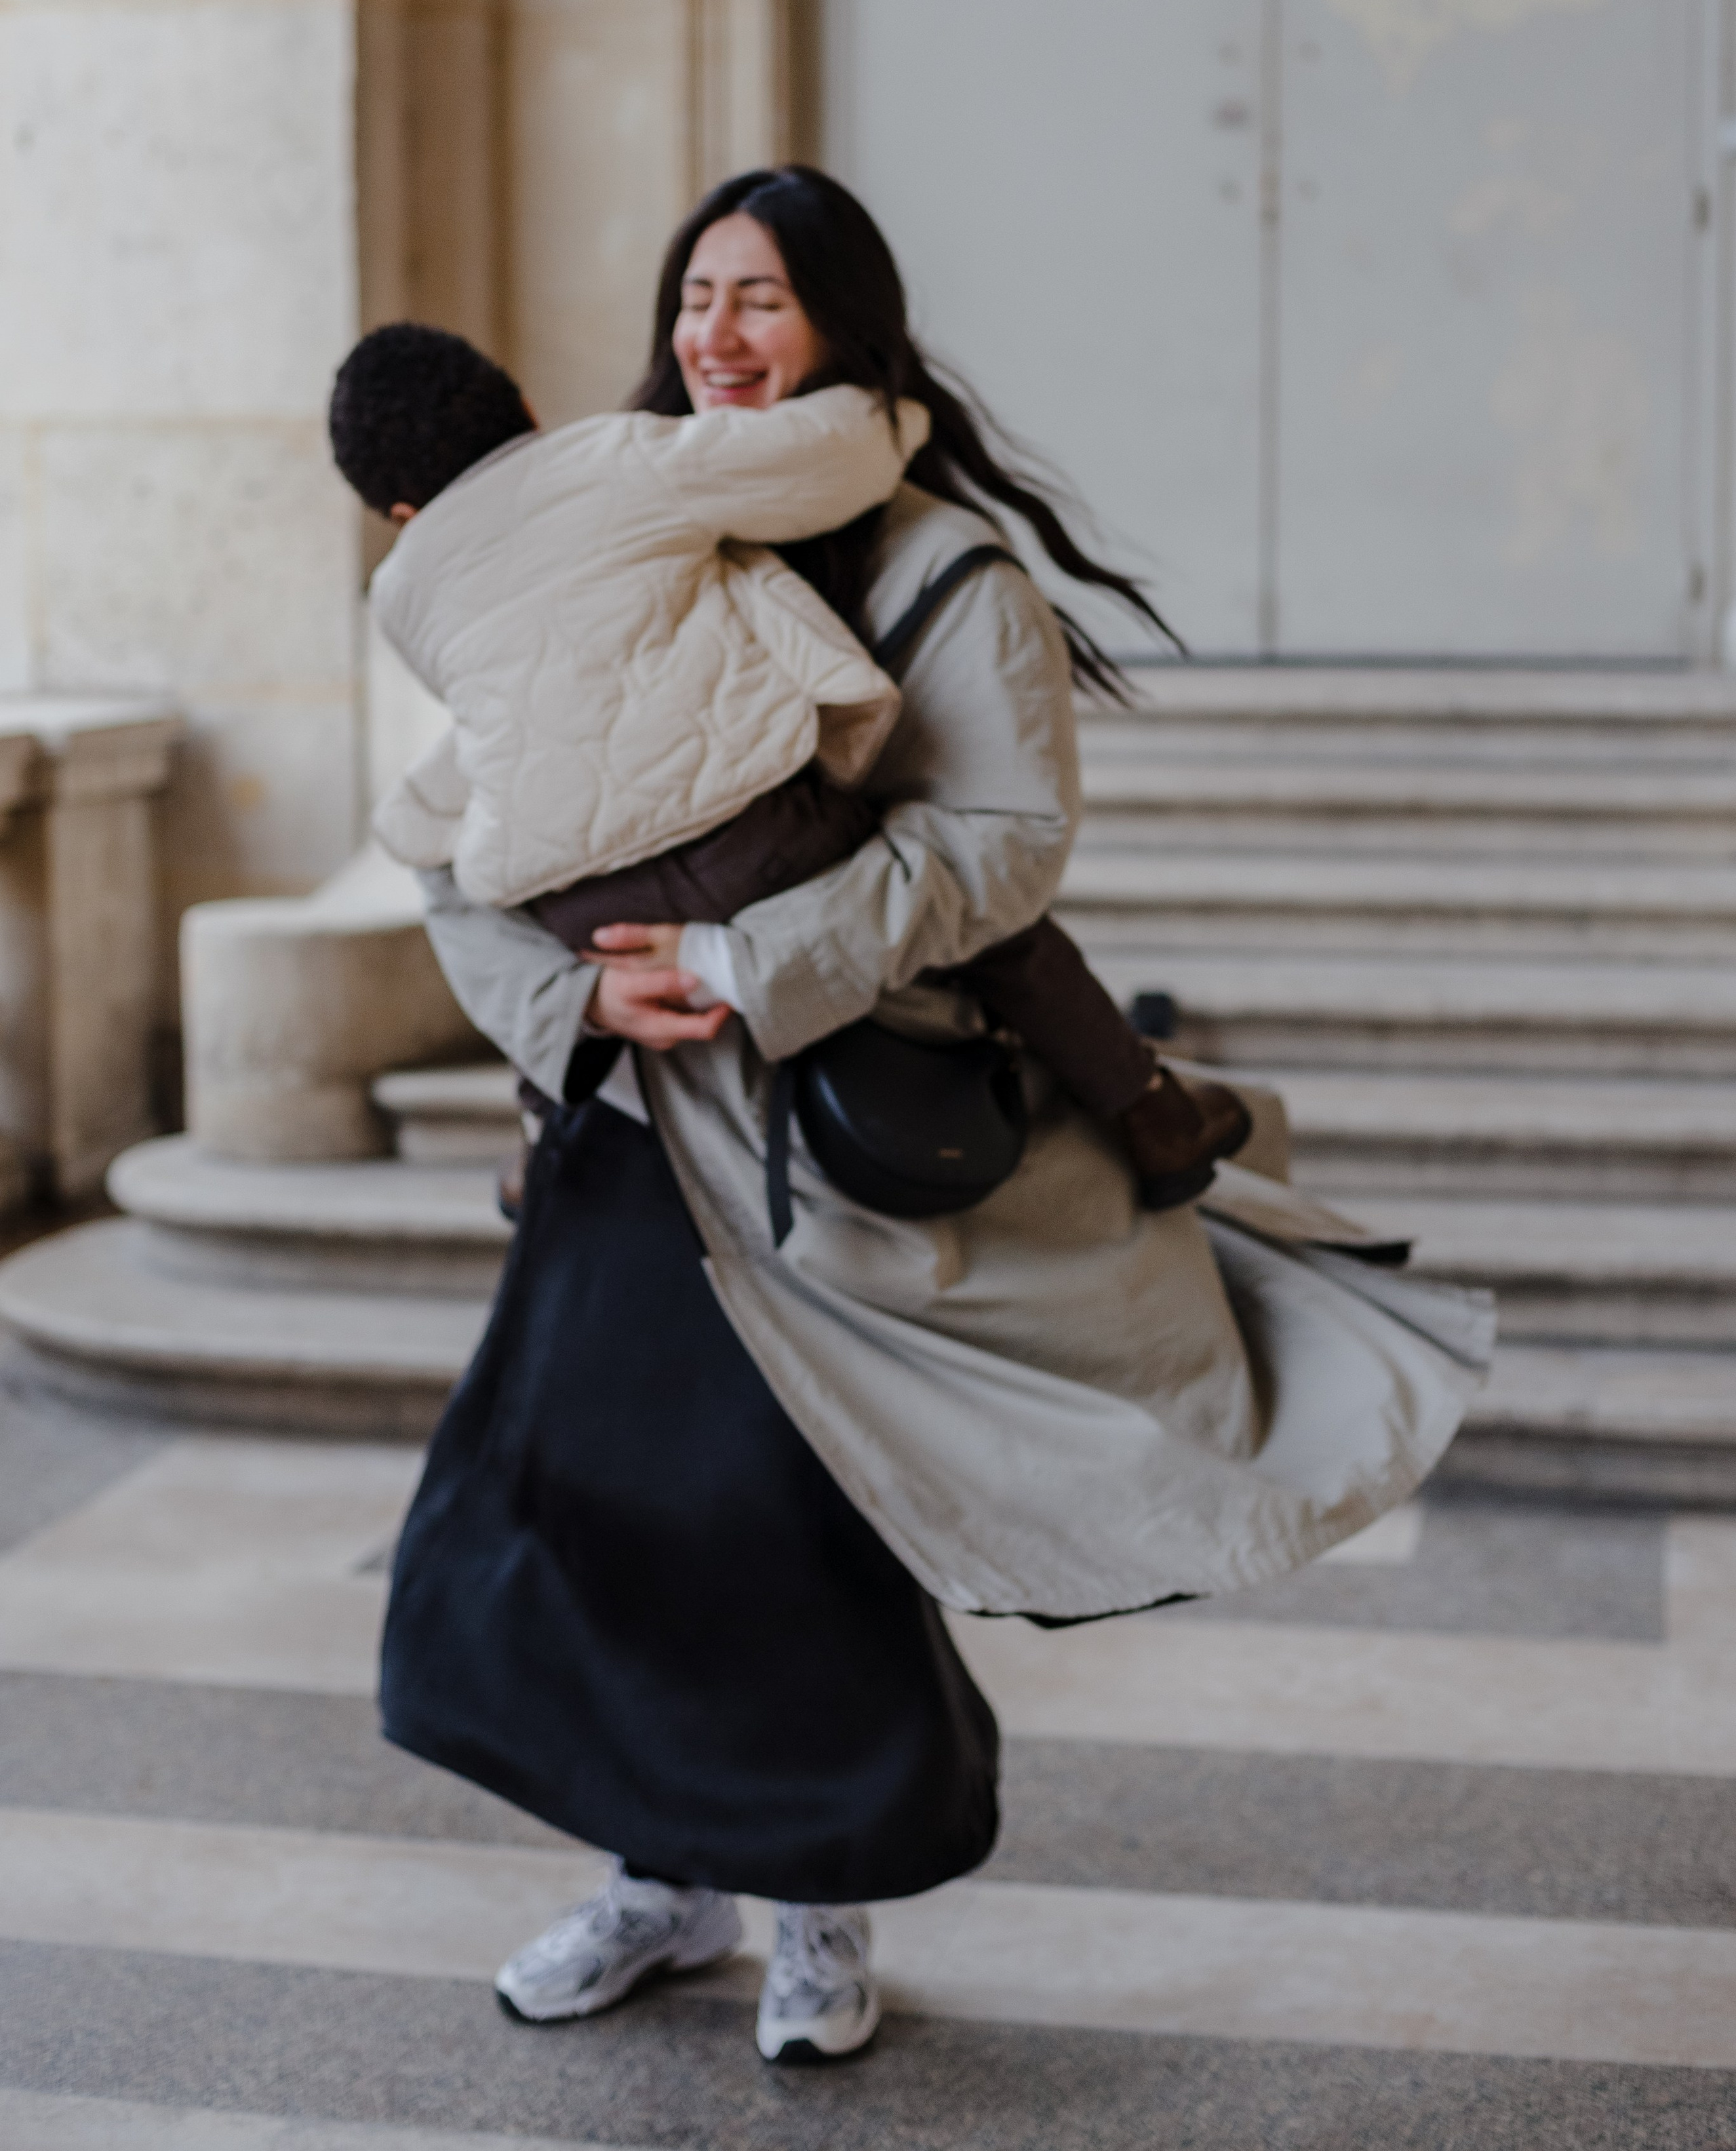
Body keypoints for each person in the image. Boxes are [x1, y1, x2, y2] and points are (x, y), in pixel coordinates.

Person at [376, 166, 1493, 2068]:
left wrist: (744, 962)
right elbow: (456, 845)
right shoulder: (604, 534)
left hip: (829, 1136)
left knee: (800, 1518)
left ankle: (818, 1899)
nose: (718, 337)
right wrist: (581, 994)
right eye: (698, 298)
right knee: (600, 1508)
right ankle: (662, 1874)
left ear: (845, 333)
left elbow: (998, 849)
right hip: (632, 1137)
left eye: (766, 303)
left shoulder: (942, 575)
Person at [328, 323, 1253, 1212]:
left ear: (400, 516)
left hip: (581, 902)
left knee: (534, 944)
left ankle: (540, 1138)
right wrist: (891, 407)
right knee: (1002, 938)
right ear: (528, 407)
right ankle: (1148, 1110)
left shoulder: (401, 594)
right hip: (757, 838)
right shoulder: (615, 456)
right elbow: (823, 460)